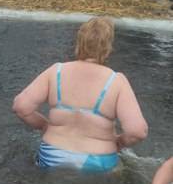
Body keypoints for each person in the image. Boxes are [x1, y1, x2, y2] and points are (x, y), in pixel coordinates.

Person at [12, 17, 148, 172]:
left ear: (79, 42)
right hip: (98, 160)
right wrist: (119, 143)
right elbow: (137, 131)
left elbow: (21, 107)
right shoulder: (116, 81)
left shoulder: (56, 71)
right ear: (109, 47)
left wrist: (44, 125)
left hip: (52, 155)